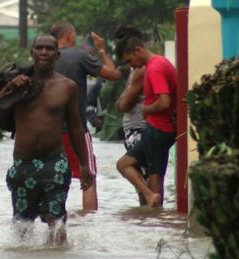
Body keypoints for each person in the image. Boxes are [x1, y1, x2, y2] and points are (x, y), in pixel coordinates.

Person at [0, 34, 94, 245]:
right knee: (21, 225)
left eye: (48, 49)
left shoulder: (67, 87)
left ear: (57, 55)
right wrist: (9, 89)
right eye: (39, 48)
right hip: (23, 164)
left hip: (54, 164)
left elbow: (75, 126)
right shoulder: (17, 84)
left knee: (57, 224)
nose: (43, 52)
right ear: (32, 53)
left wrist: (84, 164)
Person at [50, 22, 121, 211]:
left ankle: (55, 226)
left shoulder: (44, 59)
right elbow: (113, 74)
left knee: (53, 180)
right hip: (76, 130)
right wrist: (102, 50)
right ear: (69, 35)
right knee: (87, 176)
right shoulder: (79, 55)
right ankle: (88, 224)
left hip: (48, 132)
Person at [114, 26, 177, 208]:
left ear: (138, 50)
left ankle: (154, 216)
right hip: (159, 128)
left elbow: (164, 102)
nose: (131, 65)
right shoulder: (158, 63)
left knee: (155, 174)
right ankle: (150, 198)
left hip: (158, 128)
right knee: (124, 164)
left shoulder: (155, 68)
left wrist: (148, 109)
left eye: (130, 60)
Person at [116, 66, 148, 205]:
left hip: (138, 128)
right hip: (134, 128)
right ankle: (147, 216)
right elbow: (120, 103)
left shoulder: (140, 72)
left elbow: (123, 105)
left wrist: (121, 101)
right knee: (142, 177)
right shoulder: (134, 72)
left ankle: (149, 208)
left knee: (142, 177)